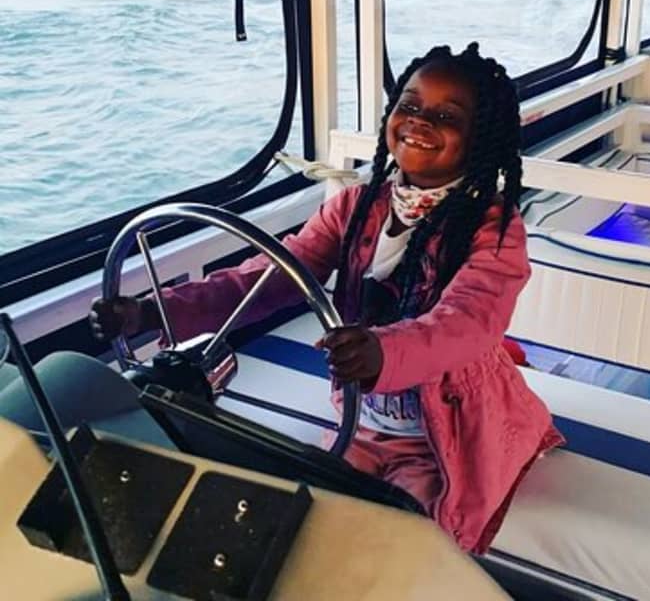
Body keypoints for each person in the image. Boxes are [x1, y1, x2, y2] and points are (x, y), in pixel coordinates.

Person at [91, 42, 563, 554]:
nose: (420, 121)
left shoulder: (494, 231)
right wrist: (154, 312)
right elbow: (269, 277)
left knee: (405, 542)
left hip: (449, 433)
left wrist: (383, 352)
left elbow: (469, 321)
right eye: (409, 105)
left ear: (481, 139)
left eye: (447, 116)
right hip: (361, 421)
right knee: (303, 519)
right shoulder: (355, 207)